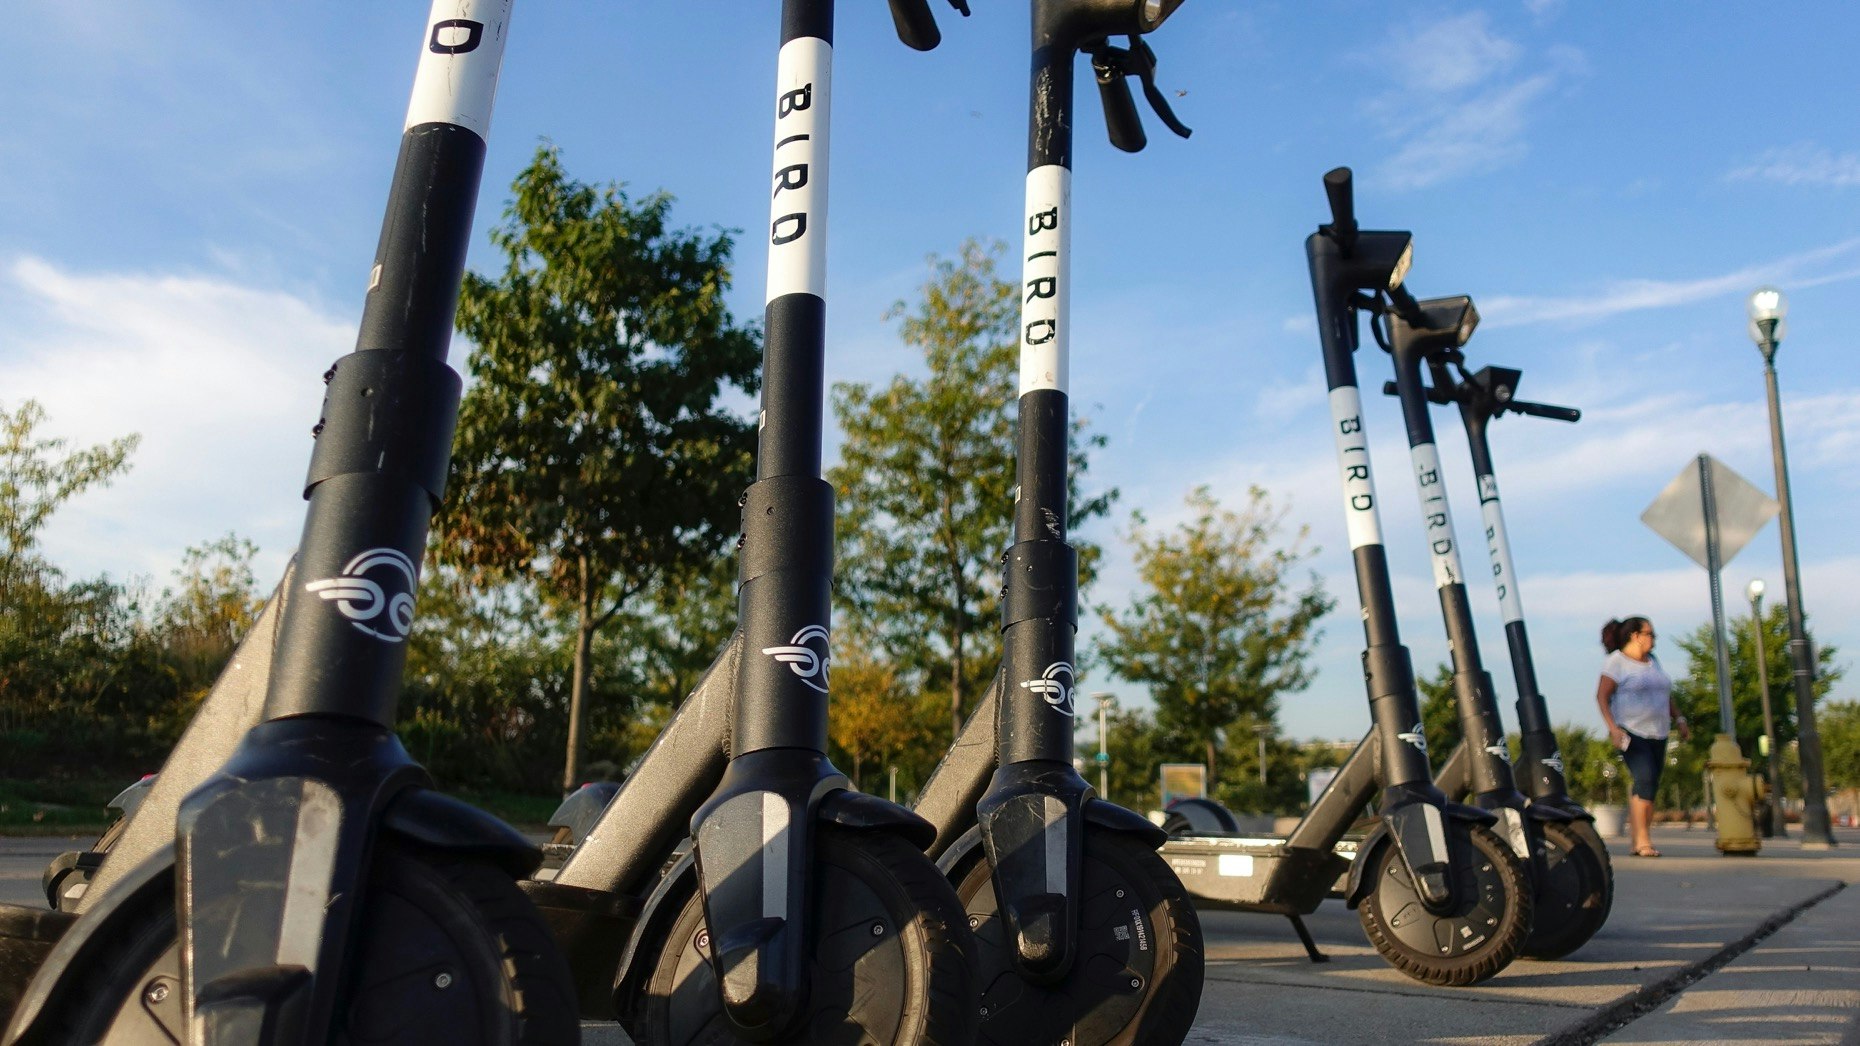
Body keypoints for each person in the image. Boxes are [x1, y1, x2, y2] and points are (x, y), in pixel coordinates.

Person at [1595, 616, 1690, 857]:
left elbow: (1665, 695)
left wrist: (1679, 719)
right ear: (1635, 636)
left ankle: (1638, 839)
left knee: (1649, 787)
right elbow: (1602, 697)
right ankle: (1643, 841)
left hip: (1659, 732)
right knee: (1644, 780)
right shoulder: (1616, 662)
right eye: (1650, 634)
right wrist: (1613, 728)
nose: (1653, 640)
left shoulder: (1653, 662)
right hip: (1631, 732)